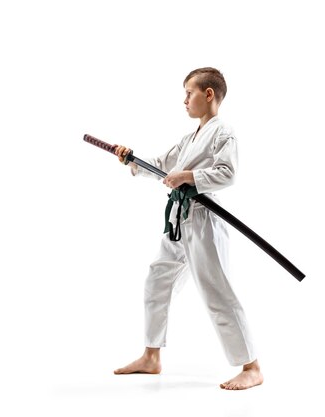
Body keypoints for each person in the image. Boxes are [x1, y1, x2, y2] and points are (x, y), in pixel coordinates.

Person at [112, 67, 263, 390]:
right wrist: (132, 159)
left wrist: (189, 178)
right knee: (158, 279)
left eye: (189, 93)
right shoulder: (191, 137)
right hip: (179, 221)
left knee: (216, 290)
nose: (185, 100)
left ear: (209, 94)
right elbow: (164, 165)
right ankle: (151, 356)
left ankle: (251, 366)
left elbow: (227, 173)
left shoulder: (224, 132)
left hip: (205, 222)